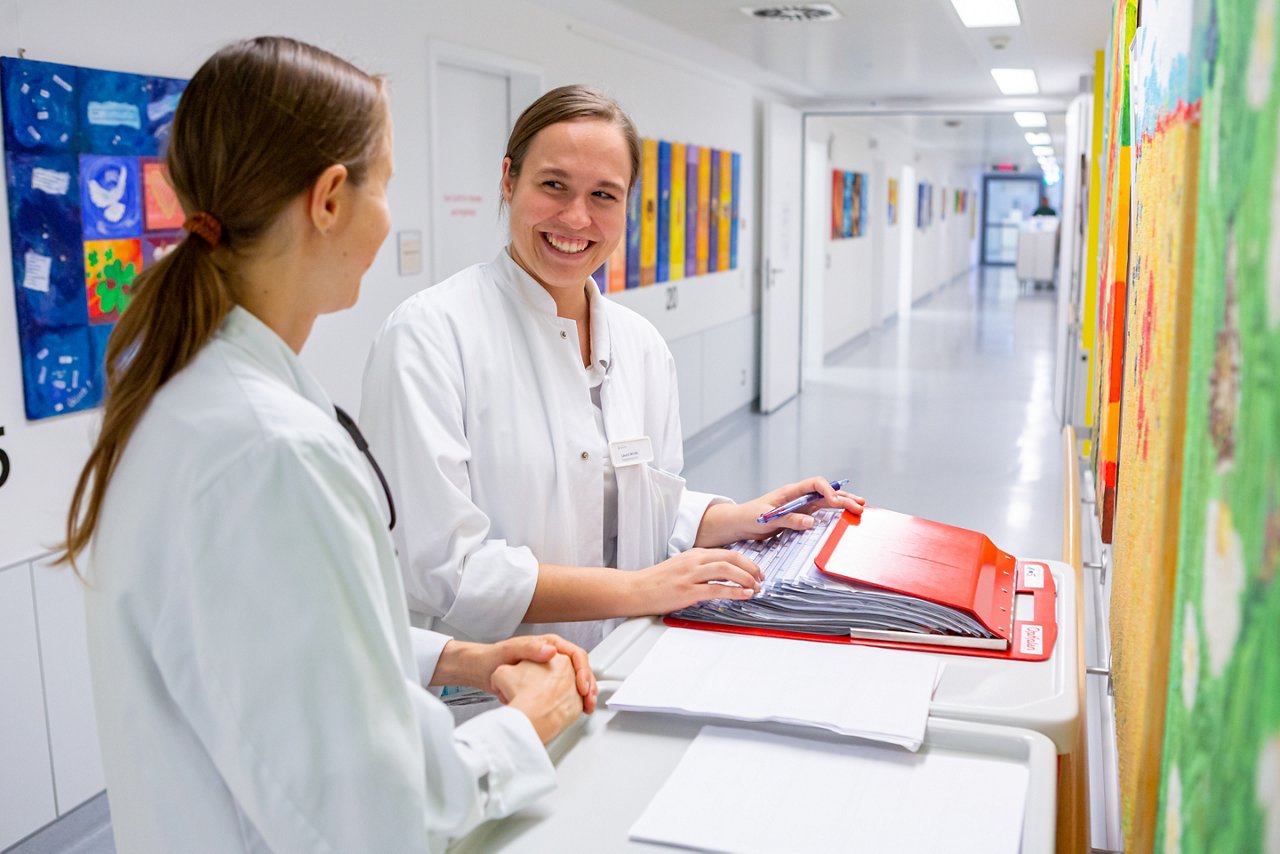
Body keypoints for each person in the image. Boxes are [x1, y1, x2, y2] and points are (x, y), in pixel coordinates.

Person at [59, 37, 596, 854]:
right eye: (385, 184)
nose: (388, 215)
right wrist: (528, 726)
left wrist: (459, 656)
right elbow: (374, 814)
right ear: (331, 199)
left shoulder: (188, 394)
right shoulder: (271, 452)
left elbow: (278, 644)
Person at [360, 85, 864, 653]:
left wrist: (741, 516)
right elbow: (442, 569)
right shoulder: (429, 336)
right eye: (553, 185)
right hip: (488, 697)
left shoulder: (641, 345)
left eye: (604, 194)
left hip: (622, 666)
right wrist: (638, 589)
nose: (577, 217)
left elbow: (638, 512)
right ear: (508, 179)